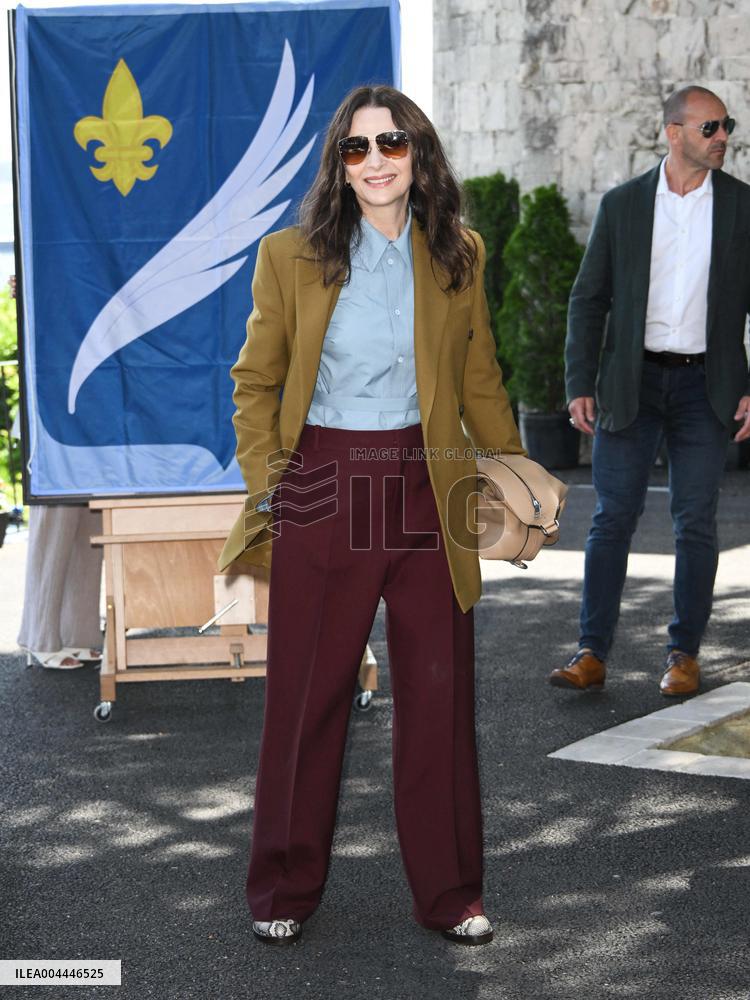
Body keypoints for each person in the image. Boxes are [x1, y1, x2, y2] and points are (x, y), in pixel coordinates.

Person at [219, 85, 523, 946]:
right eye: (357, 148)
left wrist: (512, 471)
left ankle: (453, 893)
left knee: (439, 695)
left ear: (419, 154)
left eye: (393, 143)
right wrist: (272, 483)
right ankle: (281, 888)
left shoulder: (458, 252)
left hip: (431, 487)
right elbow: (256, 382)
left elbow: (478, 376)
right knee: (308, 699)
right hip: (325, 478)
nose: (378, 159)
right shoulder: (291, 255)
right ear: (339, 165)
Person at [551, 85, 750, 697]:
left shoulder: (743, 207)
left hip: (705, 387)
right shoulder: (623, 206)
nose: (723, 138)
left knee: (695, 521)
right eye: (710, 127)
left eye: (727, 127)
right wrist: (579, 380)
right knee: (611, 518)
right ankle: (591, 652)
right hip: (630, 381)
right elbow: (589, 299)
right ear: (674, 132)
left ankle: (684, 654)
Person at [8, 275, 103, 669]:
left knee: (91, 519)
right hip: (54, 405)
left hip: (92, 398)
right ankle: (41, 634)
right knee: (56, 516)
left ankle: (78, 631)